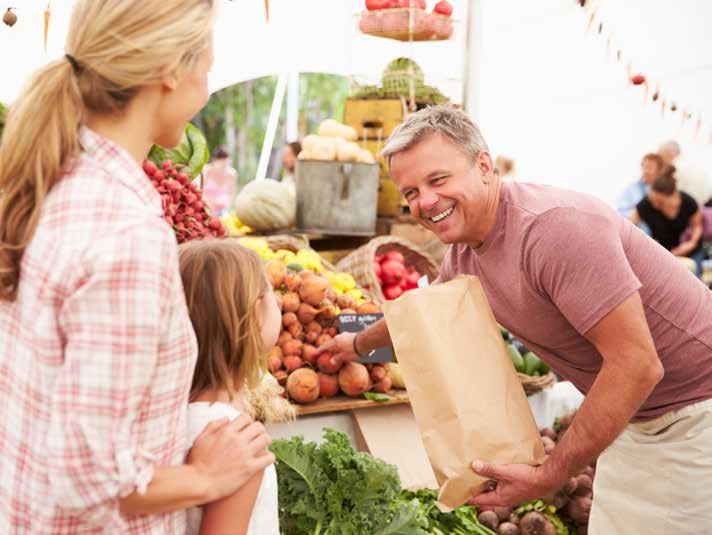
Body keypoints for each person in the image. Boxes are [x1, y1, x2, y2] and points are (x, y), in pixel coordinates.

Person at [316, 105, 712, 534]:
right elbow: (423, 319)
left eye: (438, 180)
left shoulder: (555, 229)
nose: (425, 201)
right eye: (410, 192)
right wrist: (355, 345)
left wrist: (551, 474)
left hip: (696, 416)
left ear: (484, 166)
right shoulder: (467, 252)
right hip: (639, 421)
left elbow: (637, 365)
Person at [0, 1, 274, 532]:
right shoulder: (127, 235)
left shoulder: (50, 183)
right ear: (171, 70)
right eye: (208, 69)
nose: (208, 88)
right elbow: (86, 476)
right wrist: (207, 478)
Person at [178, 240, 281, 535]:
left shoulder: (177, 421)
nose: (281, 303)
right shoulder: (236, 442)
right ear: (255, 313)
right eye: (271, 292)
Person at [631, 167, 705, 275]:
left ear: (674, 195)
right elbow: (630, 226)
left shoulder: (688, 202)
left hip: (691, 250)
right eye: (653, 200)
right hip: (665, 253)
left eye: (660, 202)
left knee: (694, 280)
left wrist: (691, 243)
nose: (655, 205)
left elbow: (697, 226)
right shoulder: (645, 204)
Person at [659, 140, 712, 207]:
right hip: (706, 203)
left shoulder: (674, 169)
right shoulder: (692, 163)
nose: (661, 160)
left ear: (671, 153)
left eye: (661, 154)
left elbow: (674, 196)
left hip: (694, 208)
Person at [616, 152, 664, 222]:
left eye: (650, 167)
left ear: (659, 170)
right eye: (644, 167)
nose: (646, 171)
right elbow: (621, 210)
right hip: (633, 227)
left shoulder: (664, 191)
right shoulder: (631, 188)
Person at [202, 147, 238, 216]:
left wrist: (225, 203)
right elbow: (199, 189)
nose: (223, 163)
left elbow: (232, 194)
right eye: (220, 160)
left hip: (221, 210)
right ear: (214, 160)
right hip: (205, 207)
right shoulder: (206, 170)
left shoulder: (232, 174)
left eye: (225, 160)